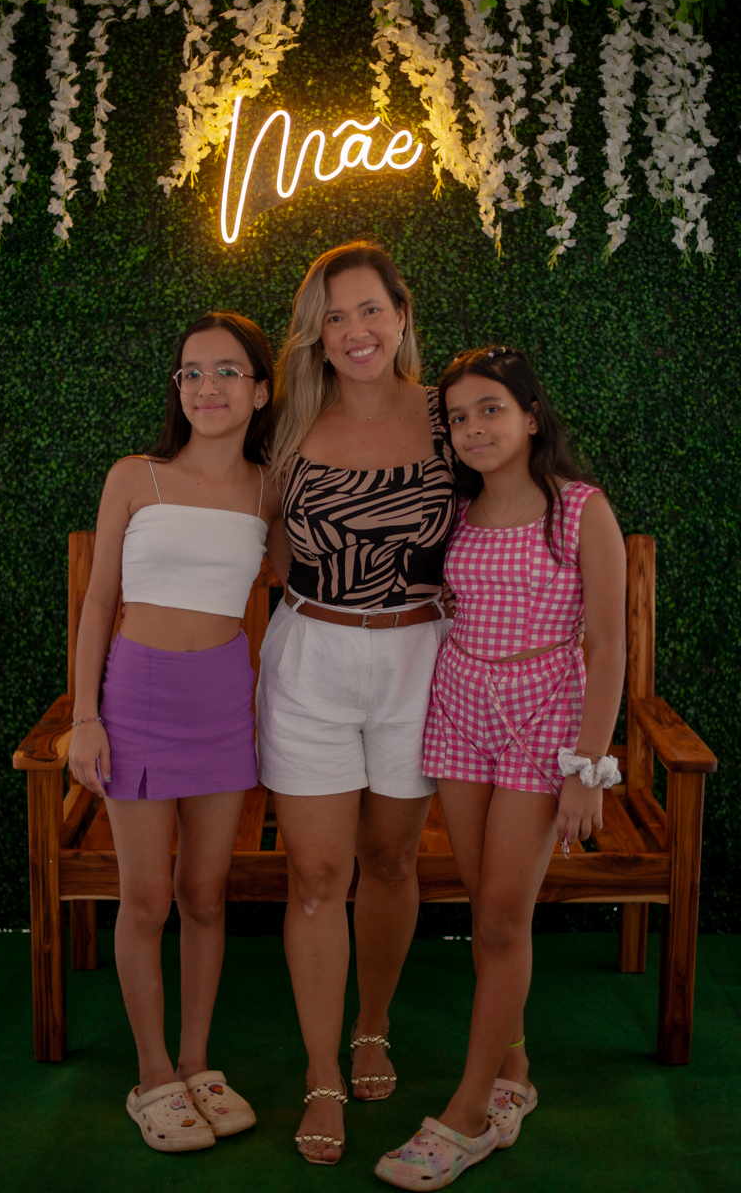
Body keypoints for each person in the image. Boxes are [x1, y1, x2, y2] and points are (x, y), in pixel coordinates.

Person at [376, 346, 626, 1191]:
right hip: (459, 708)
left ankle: (470, 1112)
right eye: (459, 417)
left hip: (544, 716)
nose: (474, 428)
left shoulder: (580, 508)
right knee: (484, 902)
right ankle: (515, 1068)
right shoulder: (456, 509)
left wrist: (587, 767)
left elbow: (608, 644)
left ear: (530, 415)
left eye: (491, 410)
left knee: (500, 919)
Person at [68, 311, 286, 1153]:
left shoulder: (270, 489)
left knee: (203, 894)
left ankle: (198, 1063)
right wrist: (85, 717)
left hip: (224, 701)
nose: (206, 387)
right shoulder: (135, 476)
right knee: (148, 899)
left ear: (260, 391)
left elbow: (309, 582)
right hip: (137, 698)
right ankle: (153, 1074)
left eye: (227, 372)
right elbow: (98, 602)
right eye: (191, 372)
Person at [259, 241, 456, 1166]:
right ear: (316, 333)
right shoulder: (292, 419)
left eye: (370, 309)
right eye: (334, 316)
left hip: (420, 657)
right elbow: (265, 540)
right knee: (315, 877)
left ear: (401, 314)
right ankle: (320, 1071)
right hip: (312, 659)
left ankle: (371, 1023)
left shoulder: (452, 415)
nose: (355, 330)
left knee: (391, 857)